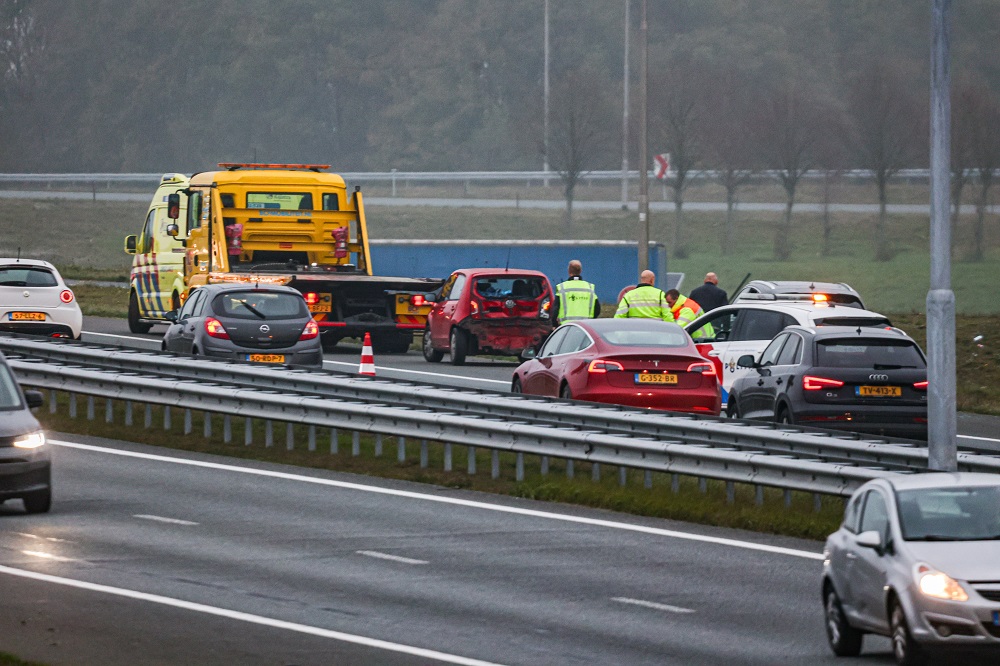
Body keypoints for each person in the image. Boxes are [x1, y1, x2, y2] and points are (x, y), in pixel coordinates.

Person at [553, 260, 600, 324]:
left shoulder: (562, 287)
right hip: (585, 327)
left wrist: (554, 324)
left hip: (567, 327)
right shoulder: (589, 287)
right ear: (580, 271)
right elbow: (597, 309)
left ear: (569, 271)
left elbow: (555, 309)